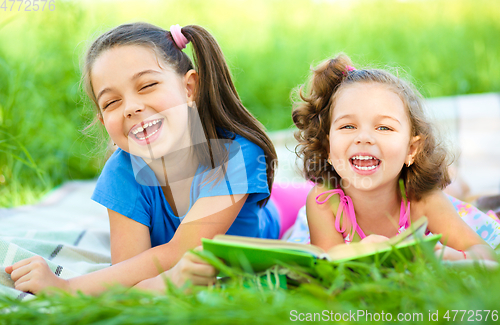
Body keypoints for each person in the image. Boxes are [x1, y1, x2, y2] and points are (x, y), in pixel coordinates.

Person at [5, 22, 280, 294]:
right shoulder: (121, 171)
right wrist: (162, 286)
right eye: (112, 102)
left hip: (266, 224)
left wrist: (66, 287)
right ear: (103, 122)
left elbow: (181, 250)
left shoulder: (237, 154)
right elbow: (129, 273)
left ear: (189, 88)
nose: (132, 108)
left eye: (147, 85)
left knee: (292, 204)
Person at [288, 54, 495, 261]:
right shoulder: (324, 201)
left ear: (411, 149)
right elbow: (326, 262)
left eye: (384, 127)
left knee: (451, 189)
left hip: (423, 192)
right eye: (348, 126)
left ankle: (457, 179)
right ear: (328, 148)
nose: (364, 138)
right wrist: (360, 250)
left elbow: (487, 255)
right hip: (312, 226)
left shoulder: (424, 201)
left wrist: (447, 255)